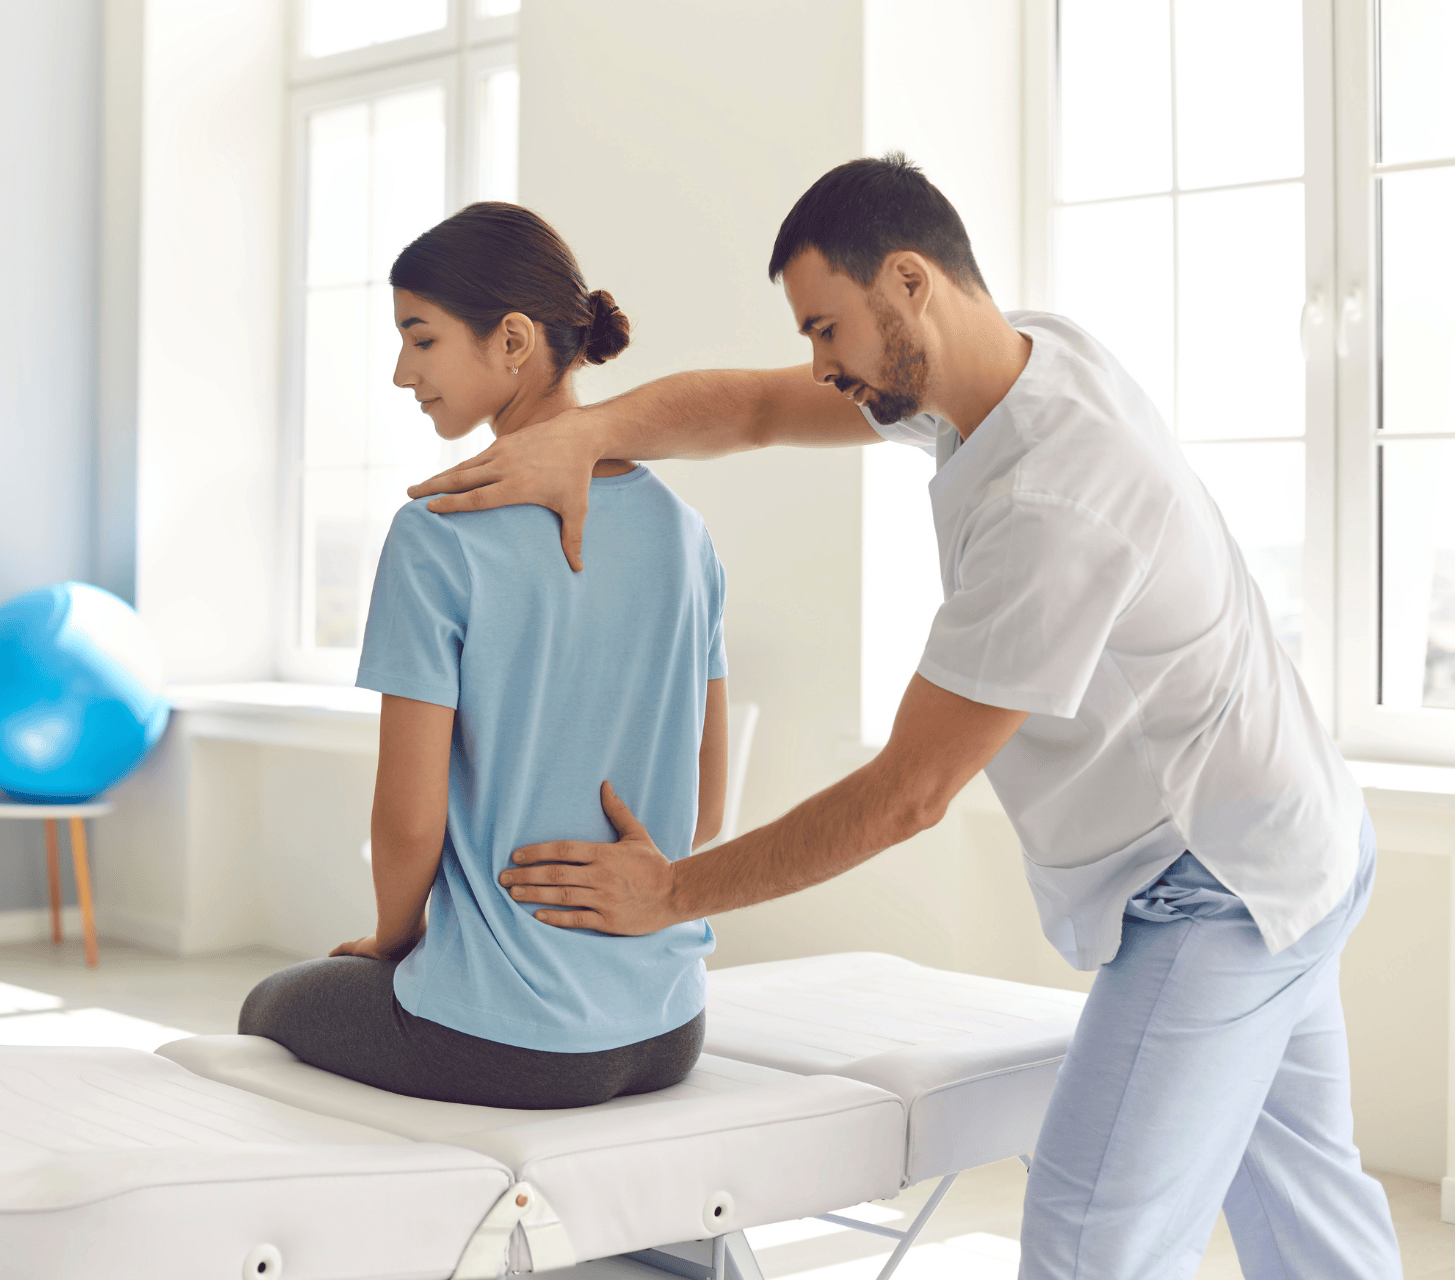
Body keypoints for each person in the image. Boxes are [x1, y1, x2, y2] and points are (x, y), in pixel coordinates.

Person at [409, 158, 1403, 1278]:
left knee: (1092, 1241)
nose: (821, 363)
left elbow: (908, 795)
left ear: (912, 283)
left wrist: (674, 890)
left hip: (1220, 880)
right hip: (1300, 828)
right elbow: (747, 407)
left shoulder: (1055, 496)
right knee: (1313, 1213)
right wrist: (585, 436)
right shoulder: (1016, 362)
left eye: (828, 328)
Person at [238, 202, 729, 1110]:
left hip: (507, 1039)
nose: (400, 372)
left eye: (420, 339)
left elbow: (410, 821)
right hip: (670, 1025)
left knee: (269, 1006)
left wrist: (389, 942)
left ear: (512, 341)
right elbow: (708, 797)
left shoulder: (439, 533)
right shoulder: (684, 533)